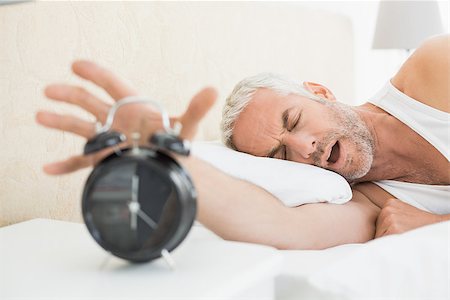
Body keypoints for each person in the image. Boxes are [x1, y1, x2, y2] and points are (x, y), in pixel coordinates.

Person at [36, 35, 449, 250]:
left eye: (294, 119)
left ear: (320, 92)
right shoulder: (369, 205)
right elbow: (280, 227)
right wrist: (169, 157)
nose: (305, 147)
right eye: (282, 155)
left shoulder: (433, 71)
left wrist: (437, 226)